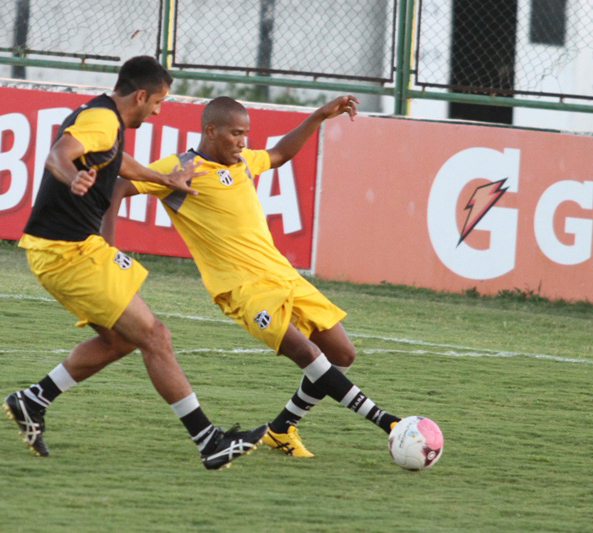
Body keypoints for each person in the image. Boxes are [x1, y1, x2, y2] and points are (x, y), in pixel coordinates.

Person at [3, 57, 267, 470]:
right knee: (155, 337)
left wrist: (164, 179)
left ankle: (33, 400)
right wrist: (72, 175)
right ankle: (209, 442)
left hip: (71, 249)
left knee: (122, 340)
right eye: (158, 102)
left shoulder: (103, 117)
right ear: (141, 96)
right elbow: (57, 155)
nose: (158, 111)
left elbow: (116, 160)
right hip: (65, 253)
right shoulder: (103, 120)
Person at [103, 95, 401, 458]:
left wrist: (320, 115)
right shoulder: (179, 167)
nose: (243, 142)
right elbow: (118, 187)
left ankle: (281, 429)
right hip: (242, 289)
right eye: (236, 134)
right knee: (307, 352)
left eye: (246, 134)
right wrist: (108, 248)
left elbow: (280, 154)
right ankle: (388, 423)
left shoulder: (243, 162)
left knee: (342, 352)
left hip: (283, 276)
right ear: (211, 131)